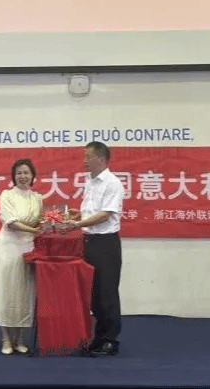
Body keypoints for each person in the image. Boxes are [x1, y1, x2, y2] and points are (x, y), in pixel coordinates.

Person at [60, 141, 124, 357]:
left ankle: (110, 340)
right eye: (84, 156)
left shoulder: (112, 183)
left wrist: (77, 224)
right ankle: (99, 337)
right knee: (94, 294)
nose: (84, 160)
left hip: (106, 244)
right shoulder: (90, 181)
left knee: (107, 293)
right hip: (89, 242)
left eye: (88, 156)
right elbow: (92, 212)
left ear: (101, 159)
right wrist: (76, 216)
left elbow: (105, 214)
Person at [0, 158, 43, 355]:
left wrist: (51, 224)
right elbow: (11, 222)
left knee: (23, 294)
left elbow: (40, 222)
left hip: (28, 249)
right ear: (13, 176)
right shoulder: (7, 195)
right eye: (19, 173)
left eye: (26, 172)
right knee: (6, 293)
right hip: (7, 248)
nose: (23, 176)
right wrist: (34, 230)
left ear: (32, 175)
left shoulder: (37, 198)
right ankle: (6, 338)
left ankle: (20, 338)